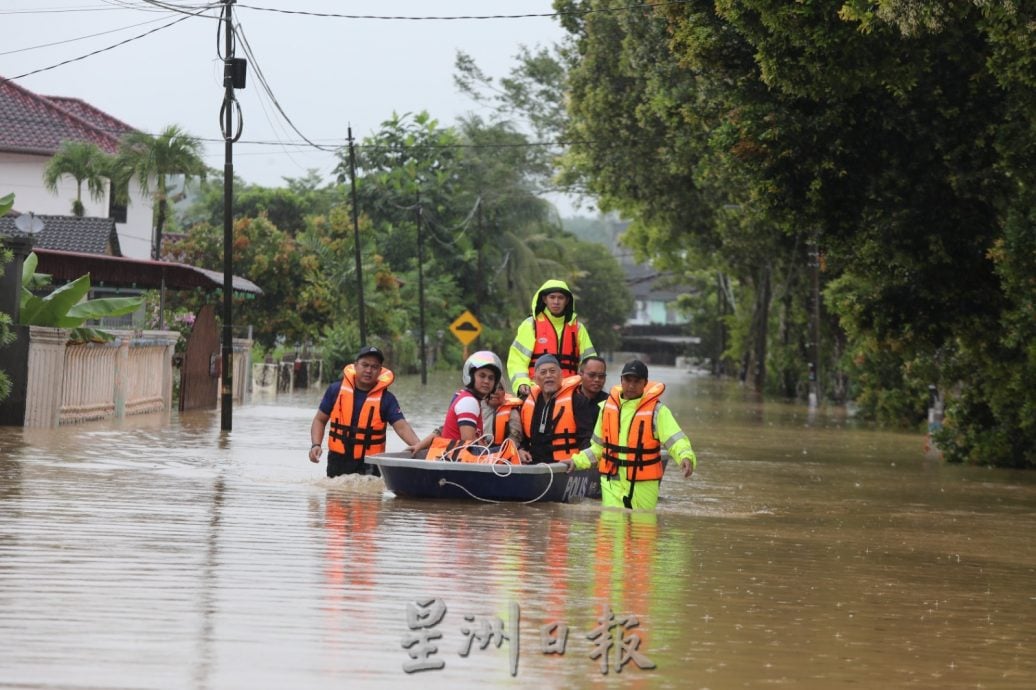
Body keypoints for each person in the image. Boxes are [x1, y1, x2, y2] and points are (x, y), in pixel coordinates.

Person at [566, 359, 696, 510]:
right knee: (611, 528)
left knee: (642, 529)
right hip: (611, 483)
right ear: (621, 380)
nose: (631, 385)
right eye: (628, 380)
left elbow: (676, 440)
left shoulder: (657, 411)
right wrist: (575, 461)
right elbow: (597, 449)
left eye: (637, 381)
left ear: (645, 383)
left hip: (643, 485)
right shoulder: (607, 408)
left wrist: (685, 457)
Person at [309, 345, 421, 477]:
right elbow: (319, 420)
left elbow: (402, 427)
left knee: (369, 496)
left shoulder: (387, 399)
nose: (369, 370)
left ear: (380, 370)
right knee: (336, 495)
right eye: (365, 365)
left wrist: (420, 447)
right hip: (338, 461)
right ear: (356, 366)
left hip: (370, 464)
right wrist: (316, 444)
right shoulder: (335, 390)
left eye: (374, 367)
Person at [506, 279, 597, 399]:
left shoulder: (578, 328)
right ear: (544, 299)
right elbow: (517, 360)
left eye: (560, 298)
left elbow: (590, 363)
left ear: (567, 301)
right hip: (536, 392)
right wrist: (522, 383)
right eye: (552, 297)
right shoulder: (530, 325)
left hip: (570, 393)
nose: (556, 301)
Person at [517, 354, 583, 464]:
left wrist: (578, 461)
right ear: (535, 378)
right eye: (543, 372)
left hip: (564, 467)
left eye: (552, 371)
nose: (548, 375)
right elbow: (522, 438)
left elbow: (586, 438)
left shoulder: (577, 400)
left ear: (561, 375)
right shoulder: (527, 403)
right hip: (534, 464)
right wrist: (520, 450)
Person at [441, 350, 504, 442]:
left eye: (491, 378)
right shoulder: (469, 402)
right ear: (471, 377)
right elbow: (469, 443)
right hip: (455, 455)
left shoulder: (470, 399)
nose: (486, 381)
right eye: (482, 376)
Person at [573, 355, 609, 449]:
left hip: (598, 456)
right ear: (580, 374)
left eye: (601, 376)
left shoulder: (609, 403)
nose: (597, 380)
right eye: (592, 375)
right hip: (569, 458)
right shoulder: (569, 401)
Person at [485, 380, 523, 446]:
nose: (495, 392)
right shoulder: (475, 407)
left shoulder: (512, 412)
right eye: (492, 387)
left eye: (500, 388)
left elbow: (515, 438)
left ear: (504, 393)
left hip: (501, 450)